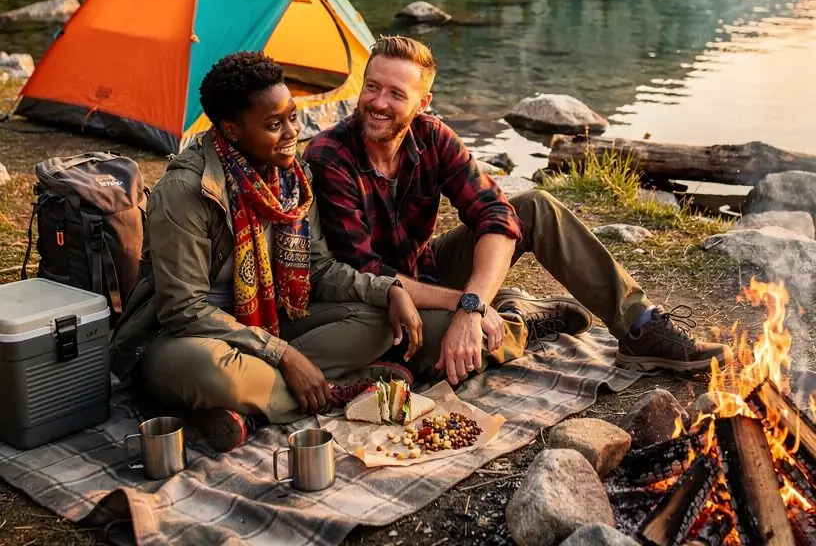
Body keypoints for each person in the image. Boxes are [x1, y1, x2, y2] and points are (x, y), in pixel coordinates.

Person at [304, 35, 726, 385]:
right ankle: (520, 317)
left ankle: (639, 325)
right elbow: (369, 272)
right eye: (372, 87)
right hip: (374, 304)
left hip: (428, 272)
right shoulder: (328, 157)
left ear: (423, 103)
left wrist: (469, 306)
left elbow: (495, 213)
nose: (378, 102)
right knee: (439, 352)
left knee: (535, 207)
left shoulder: (432, 137)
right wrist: (470, 307)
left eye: (397, 93)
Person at [111, 52, 417, 451]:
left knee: (376, 322)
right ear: (232, 131)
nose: (292, 132)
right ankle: (332, 388)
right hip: (184, 340)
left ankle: (248, 408)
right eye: (274, 125)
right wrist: (283, 354)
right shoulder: (186, 193)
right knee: (210, 372)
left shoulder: (295, 178)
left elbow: (318, 269)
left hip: (268, 321)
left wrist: (388, 290)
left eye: (292, 116)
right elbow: (181, 310)